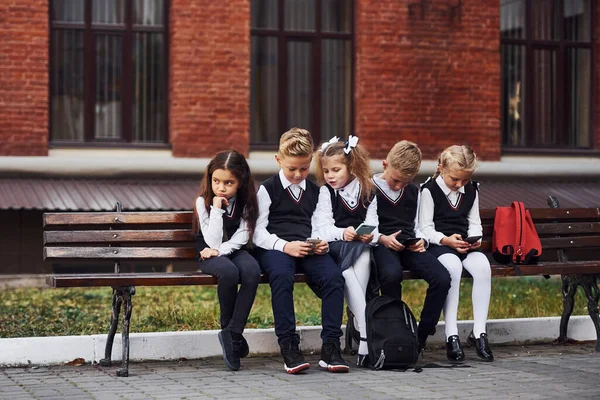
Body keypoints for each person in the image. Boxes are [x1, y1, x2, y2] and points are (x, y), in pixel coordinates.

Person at [253, 128, 349, 374]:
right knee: (282, 278)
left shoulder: (318, 192)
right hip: (276, 248)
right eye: (292, 168)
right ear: (279, 160)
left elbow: (320, 225)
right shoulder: (268, 189)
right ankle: (289, 345)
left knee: (334, 278)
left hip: (307, 246)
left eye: (304, 168)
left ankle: (330, 347)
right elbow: (258, 233)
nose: (298, 174)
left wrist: (321, 242)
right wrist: (285, 246)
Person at [371, 140, 451, 355]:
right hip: (382, 244)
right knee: (391, 273)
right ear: (385, 164)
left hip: (409, 244)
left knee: (442, 278)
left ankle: (421, 334)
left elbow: (418, 226)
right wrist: (382, 239)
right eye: (396, 180)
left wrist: (421, 241)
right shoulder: (369, 188)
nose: (399, 187)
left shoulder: (413, 192)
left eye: (405, 183)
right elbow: (366, 226)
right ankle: (394, 330)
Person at [419, 145, 494, 362]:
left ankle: (479, 332)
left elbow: (474, 223)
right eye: (455, 179)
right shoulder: (429, 190)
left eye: (464, 180)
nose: (459, 184)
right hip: (440, 245)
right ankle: (451, 334)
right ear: (441, 168)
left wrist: (475, 239)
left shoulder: (471, 190)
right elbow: (425, 228)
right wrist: (445, 240)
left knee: (482, 266)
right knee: (452, 267)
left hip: (464, 245)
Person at [193, 150, 261, 371]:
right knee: (229, 273)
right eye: (216, 181)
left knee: (252, 271)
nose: (221, 188)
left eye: (228, 182)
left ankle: (233, 332)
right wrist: (216, 208)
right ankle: (229, 332)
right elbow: (210, 240)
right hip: (206, 253)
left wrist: (220, 251)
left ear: (240, 182)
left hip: (232, 249)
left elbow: (243, 235)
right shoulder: (202, 202)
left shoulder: (247, 202)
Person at [313, 135, 377, 367]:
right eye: (326, 171)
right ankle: (365, 334)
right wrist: (343, 233)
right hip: (336, 248)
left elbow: (374, 223)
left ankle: (362, 335)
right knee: (347, 274)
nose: (330, 176)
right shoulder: (326, 193)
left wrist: (371, 235)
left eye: (336, 170)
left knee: (365, 253)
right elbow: (321, 228)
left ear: (351, 166)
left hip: (361, 248)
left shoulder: (367, 191)